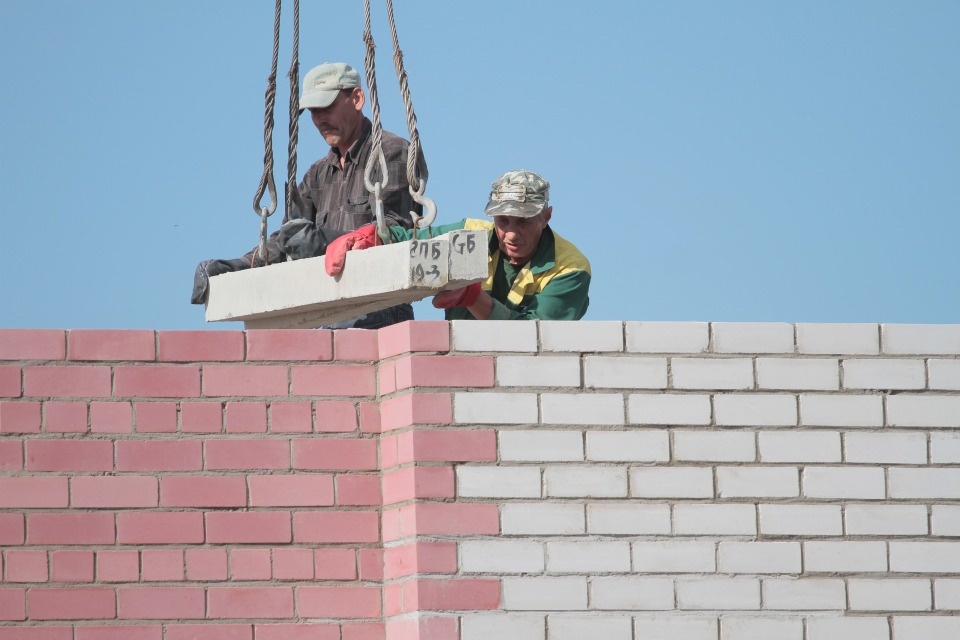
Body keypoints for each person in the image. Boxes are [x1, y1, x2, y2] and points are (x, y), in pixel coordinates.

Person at [192, 62, 420, 329]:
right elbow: (287, 238)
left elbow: (395, 231)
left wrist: (324, 241)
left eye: (326, 107)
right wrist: (240, 266)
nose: (320, 119)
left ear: (357, 99)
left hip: (382, 309)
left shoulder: (391, 152)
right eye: (313, 111)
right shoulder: (318, 174)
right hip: (331, 310)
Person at [325, 170, 590, 320]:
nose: (511, 234)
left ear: (546, 217)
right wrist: (375, 236)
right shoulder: (472, 234)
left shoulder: (570, 268)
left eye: (523, 222)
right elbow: (413, 241)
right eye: (503, 221)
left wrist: (473, 298)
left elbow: (536, 339)